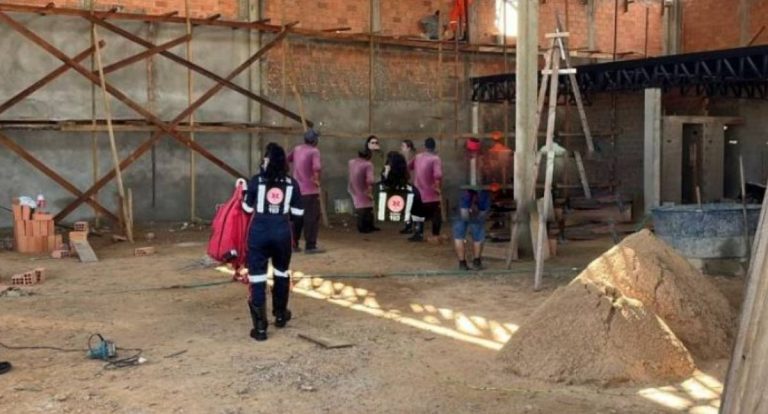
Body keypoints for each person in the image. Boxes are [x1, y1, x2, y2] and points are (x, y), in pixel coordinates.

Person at [242, 143, 303, 341]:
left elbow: (246, 208)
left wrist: (244, 192)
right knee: (281, 272)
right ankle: (280, 315)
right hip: (282, 233)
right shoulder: (292, 183)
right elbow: (298, 213)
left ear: (267, 160)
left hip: (259, 234)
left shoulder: (256, 181)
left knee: (257, 277)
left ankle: (260, 328)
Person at [288, 129, 324, 254]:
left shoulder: (297, 149)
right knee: (311, 218)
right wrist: (316, 181)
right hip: (309, 191)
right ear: (315, 140)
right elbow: (316, 167)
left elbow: (287, 159)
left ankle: (294, 244)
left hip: (296, 190)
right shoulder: (314, 151)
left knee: (296, 218)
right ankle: (310, 245)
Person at [378, 151, 424, 228]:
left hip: (394, 192)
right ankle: (414, 228)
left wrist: (386, 174)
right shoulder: (412, 190)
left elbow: (385, 182)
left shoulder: (389, 169)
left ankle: (410, 226)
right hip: (398, 191)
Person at [409, 137, 443, 242]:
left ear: (424, 146)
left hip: (417, 191)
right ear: (434, 147)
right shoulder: (435, 159)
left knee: (417, 213)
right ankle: (435, 234)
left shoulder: (418, 157)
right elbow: (438, 175)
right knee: (436, 213)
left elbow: (409, 166)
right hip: (431, 192)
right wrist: (437, 188)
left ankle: (418, 234)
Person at [453, 189, 492, 271]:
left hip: (459, 210)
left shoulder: (460, 188)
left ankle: (462, 264)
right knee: (478, 237)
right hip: (477, 212)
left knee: (459, 238)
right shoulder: (484, 190)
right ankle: (476, 263)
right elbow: (484, 210)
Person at [348, 148, 377, 233]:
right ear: (368, 156)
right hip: (363, 186)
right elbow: (370, 180)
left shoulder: (351, 162)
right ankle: (364, 227)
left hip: (352, 186)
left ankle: (366, 226)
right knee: (366, 207)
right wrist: (370, 191)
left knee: (361, 206)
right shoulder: (368, 164)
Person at [399, 139, 417, 234]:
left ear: (408, 148)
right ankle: (409, 226)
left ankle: (409, 226)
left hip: (411, 184)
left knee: (409, 206)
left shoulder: (412, 158)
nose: (401, 148)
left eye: (403, 146)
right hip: (410, 183)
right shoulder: (407, 157)